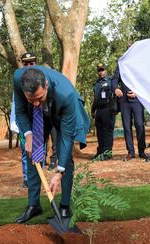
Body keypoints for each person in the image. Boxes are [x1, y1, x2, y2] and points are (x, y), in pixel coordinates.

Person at [13, 66, 90, 224]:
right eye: (31, 99)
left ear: (46, 86)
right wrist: (28, 135)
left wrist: (59, 171)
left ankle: (64, 206)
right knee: (32, 155)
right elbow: (20, 111)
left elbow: (67, 137)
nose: (35, 103)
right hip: (38, 117)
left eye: (39, 98)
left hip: (61, 114)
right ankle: (33, 205)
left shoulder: (66, 93)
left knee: (65, 157)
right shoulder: (18, 79)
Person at [112, 54, 149, 161]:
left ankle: (142, 151)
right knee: (127, 128)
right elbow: (114, 79)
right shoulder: (121, 64)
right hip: (124, 102)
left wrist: (137, 93)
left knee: (139, 125)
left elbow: (145, 82)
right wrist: (115, 89)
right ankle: (130, 152)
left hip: (137, 101)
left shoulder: (140, 65)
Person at [9, 52, 38, 188]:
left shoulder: (41, 80)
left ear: (35, 64)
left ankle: (37, 178)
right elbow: (15, 104)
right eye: (25, 64)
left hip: (39, 123)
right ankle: (27, 179)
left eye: (31, 63)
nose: (28, 66)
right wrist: (14, 121)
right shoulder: (18, 82)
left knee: (39, 150)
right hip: (23, 124)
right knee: (25, 151)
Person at [91, 63, 116, 160]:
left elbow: (116, 95)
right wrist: (93, 110)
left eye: (102, 70)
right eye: (99, 70)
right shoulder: (96, 84)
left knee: (108, 132)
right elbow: (95, 99)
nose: (100, 72)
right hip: (99, 110)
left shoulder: (111, 81)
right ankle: (100, 152)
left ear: (106, 70)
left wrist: (115, 109)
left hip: (108, 109)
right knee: (100, 132)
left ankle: (107, 153)